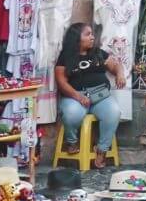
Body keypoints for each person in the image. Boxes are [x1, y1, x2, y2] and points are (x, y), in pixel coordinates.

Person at [54, 22, 126, 168]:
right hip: (75, 97)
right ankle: (72, 142)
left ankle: (102, 150)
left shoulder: (97, 53)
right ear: (76, 38)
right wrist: (78, 96)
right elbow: (61, 82)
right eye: (88, 34)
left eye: (92, 34)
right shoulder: (65, 57)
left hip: (100, 96)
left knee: (113, 112)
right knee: (71, 114)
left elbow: (115, 65)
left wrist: (120, 74)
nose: (92, 37)